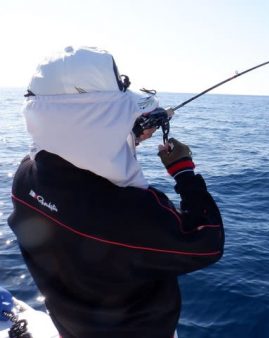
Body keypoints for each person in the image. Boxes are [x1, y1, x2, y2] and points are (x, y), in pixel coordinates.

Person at [7, 46, 224, 338]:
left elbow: (73, 143)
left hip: (71, 327)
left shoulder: (25, 178)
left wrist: (129, 137)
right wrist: (184, 172)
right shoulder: (128, 213)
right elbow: (206, 240)